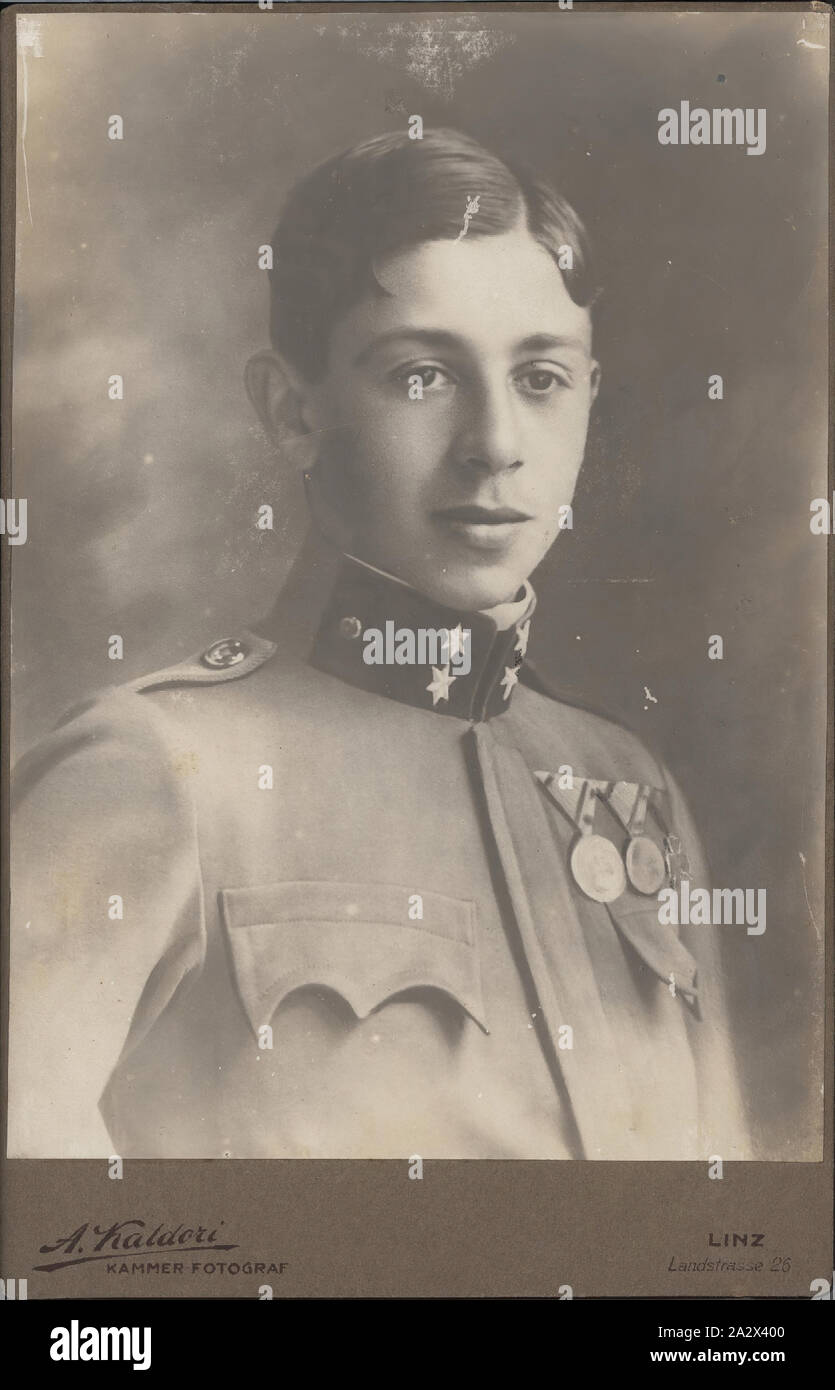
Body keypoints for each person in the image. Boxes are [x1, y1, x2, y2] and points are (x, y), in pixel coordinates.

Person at [9, 128, 753, 1159]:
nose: (496, 443)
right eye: (422, 376)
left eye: (539, 377)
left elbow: (721, 1240)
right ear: (291, 412)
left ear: (587, 398)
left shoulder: (622, 784)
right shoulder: (153, 771)